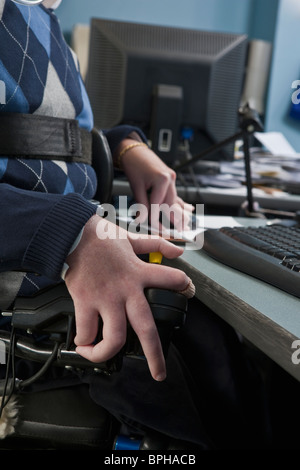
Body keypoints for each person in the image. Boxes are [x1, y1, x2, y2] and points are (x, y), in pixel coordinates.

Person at [0, 0, 269, 449]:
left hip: (66, 246)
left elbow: (38, 135)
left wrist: (124, 146)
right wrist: (74, 237)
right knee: (181, 351)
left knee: (215, 331)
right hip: (30, 283)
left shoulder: (37, 14)